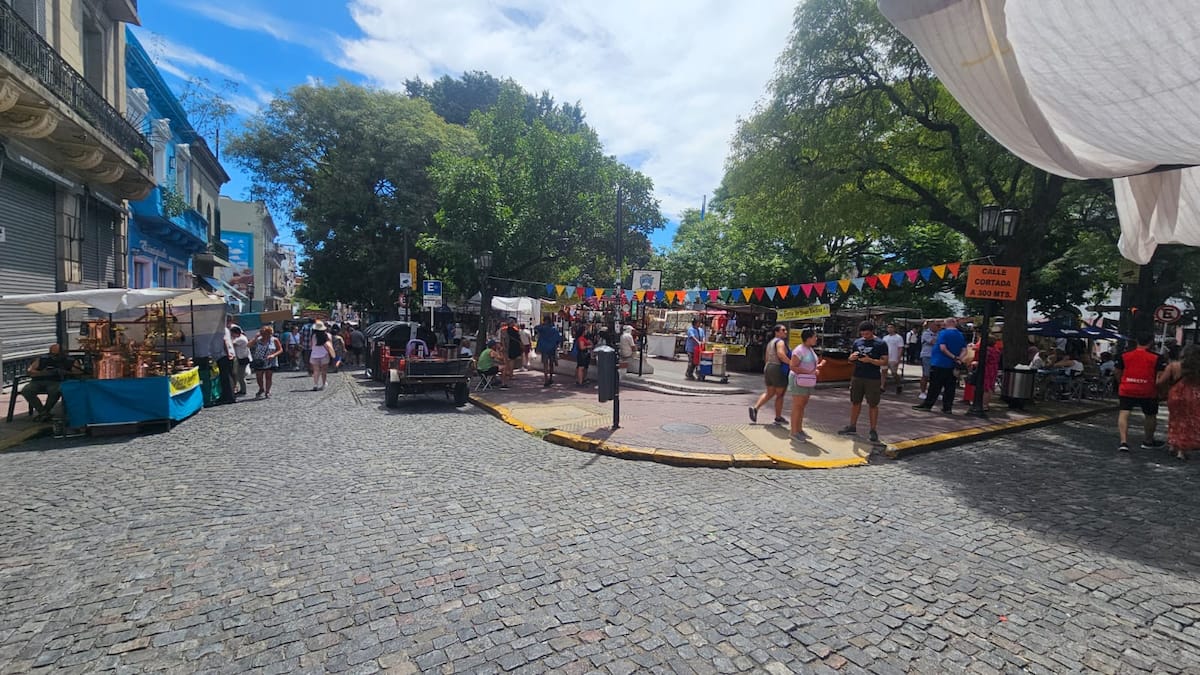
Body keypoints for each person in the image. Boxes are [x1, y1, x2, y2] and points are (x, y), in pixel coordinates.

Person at [1113, 332, 1168, 452]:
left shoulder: (1124, 355)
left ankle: (1123, 442)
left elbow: (1117, 371)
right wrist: (1162, 392)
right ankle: (1148, 440)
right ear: (1151, 342)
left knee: (1124, 413)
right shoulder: (1157, 357)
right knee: (1150, 415)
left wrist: (1121, 382)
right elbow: (1160, 377)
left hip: (1127, 387)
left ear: (1137, 341)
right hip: (1148, 389)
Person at [837, 322, 888, 443]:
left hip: (873, 377)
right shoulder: (857, 342)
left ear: (872, 332)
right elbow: (850, 359)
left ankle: (873, 430)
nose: (865, 336)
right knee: (855, 401)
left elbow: (884, 361)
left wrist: (870, 360)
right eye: (863, 334)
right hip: (858, 376)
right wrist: (852, 358)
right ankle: (852, 425)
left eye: (867, 334)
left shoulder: (880, 343)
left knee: (873, 404)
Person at [915, 317, 966, 414]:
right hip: (952, 365)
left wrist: (953, 356)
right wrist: (959, 358)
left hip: (940, 362)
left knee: (935, 386)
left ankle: (928, 404)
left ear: (947, 324)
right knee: (950, 387)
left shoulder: (943, 333)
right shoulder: (960, 334)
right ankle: (947, 407)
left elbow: (943, 348)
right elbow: (964, 349)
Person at [21, 344, 82, 422]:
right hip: (39, 381)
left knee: (54, 390)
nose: (54, 357)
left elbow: (78, 372)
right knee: (27, 390)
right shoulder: (42, 358)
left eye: (57, 354)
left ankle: (45, 412)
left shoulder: (70, 360)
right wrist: (42, 373)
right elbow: (30, 370)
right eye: (52, 354)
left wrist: (65, 372)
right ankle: (43, 413)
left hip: (57, 381)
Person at [1159, 344, 1200, 460]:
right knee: (1189, 422)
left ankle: (1173, 445)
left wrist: (1164, 391)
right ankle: (1182, 450)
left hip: (1176, 394)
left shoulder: (1174, 366)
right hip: (1195, 396)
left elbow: (1161, 382)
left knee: (1175, 420)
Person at [787, 328, 825, 442]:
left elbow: (810, 365)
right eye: (814, 337)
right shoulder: (799, 350)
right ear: (808, 338)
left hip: (807, 380)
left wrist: (816, 369)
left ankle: (799, 429)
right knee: (797, 405)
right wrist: (809, 372)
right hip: (798, 380)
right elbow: (793, 366)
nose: (816, 339)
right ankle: (793, 432)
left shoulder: (810, 349)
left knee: (802, 406)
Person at [750, 324, 791, 426]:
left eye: (785, 330)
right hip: (777, 367)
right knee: (780, 394)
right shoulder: (780, 342)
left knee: (770, 392)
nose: (785, 332)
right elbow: (781, 355)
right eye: (783, 330)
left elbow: (766, 357)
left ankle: (755, 408)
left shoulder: (770, 342)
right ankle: (778, 417)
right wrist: (791, 363)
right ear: (776, 332)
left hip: (768, 367)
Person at [248, 325, 284, 399]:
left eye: (267, 334)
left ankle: (267, 391)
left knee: (268, 377)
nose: (265, 335)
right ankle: (261, 388)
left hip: (270, 361)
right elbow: (248, 345)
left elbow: (280, 349)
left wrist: (273, 355)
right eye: (263, 334)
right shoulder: (258, 340)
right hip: (259, 361)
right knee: (259, 377)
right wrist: (255, 337)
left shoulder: (274, 340)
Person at [534, 317, 564, 387]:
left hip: (544, 349)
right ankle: (550, 377)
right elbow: (558, 339)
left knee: (545, 364)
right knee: (551, 364)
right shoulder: (554, 329)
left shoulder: (542, 328)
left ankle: (546, 379)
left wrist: (542, 324)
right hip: (552, 349)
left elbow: (536, 327)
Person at [214, 316, 237, 404]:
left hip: (224, 355)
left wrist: (228, 353)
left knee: (226, 377)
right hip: (228, 354)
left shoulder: (221, 330)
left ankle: (228, 396)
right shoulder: (226, 329)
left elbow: (225, 342)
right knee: (229, 376)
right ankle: (229, 395)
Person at [918, 320, 940, 400]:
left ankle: (934, 393)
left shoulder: (939, 333)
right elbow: (933, 342)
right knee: (926, 374)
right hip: (927, 356)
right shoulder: (926, 333)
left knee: (936, 376)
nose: (938, 327)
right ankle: (922, 392)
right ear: (931, 326)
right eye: (936, 325)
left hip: (937, 356)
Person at [309, 320, 334, 390]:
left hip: (314, 355)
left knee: (316, 371)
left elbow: (311, 345)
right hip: (324, 355)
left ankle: (315, 384)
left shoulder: (313, 336)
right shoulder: (328, 335)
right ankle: (323, 384)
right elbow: (330, 346)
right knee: (324, 371)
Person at [881, 323, 905, 394]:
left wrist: (898, 359)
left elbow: (900, 348)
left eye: (891, 327)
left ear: (894, 328)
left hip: (893, 358)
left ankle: (899, 384)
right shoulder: (885, 338)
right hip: (885, 358)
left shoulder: (898, 338)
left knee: (894, 373)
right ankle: (882, 386)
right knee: (883, 372)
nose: (890, 329)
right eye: (888, 327)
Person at [230, 325, 250, 397]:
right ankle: (242, 389)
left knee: (240, 376)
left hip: (243, 359)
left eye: (232, 333)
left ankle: (243, 390)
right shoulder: (241, 337)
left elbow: (232, 344)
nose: (232, 335)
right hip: (241, 358)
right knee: (239, 375)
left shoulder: (241, 339)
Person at [504, 319, 522, 384]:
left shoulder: (505, 330)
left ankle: (507, 373)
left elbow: (503, 339)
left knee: (507, 360)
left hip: (507, 346)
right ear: (511, 323)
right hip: (513, 347)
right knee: (512, 360)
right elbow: (518, 338)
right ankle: (511, 374)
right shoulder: (514, 331)